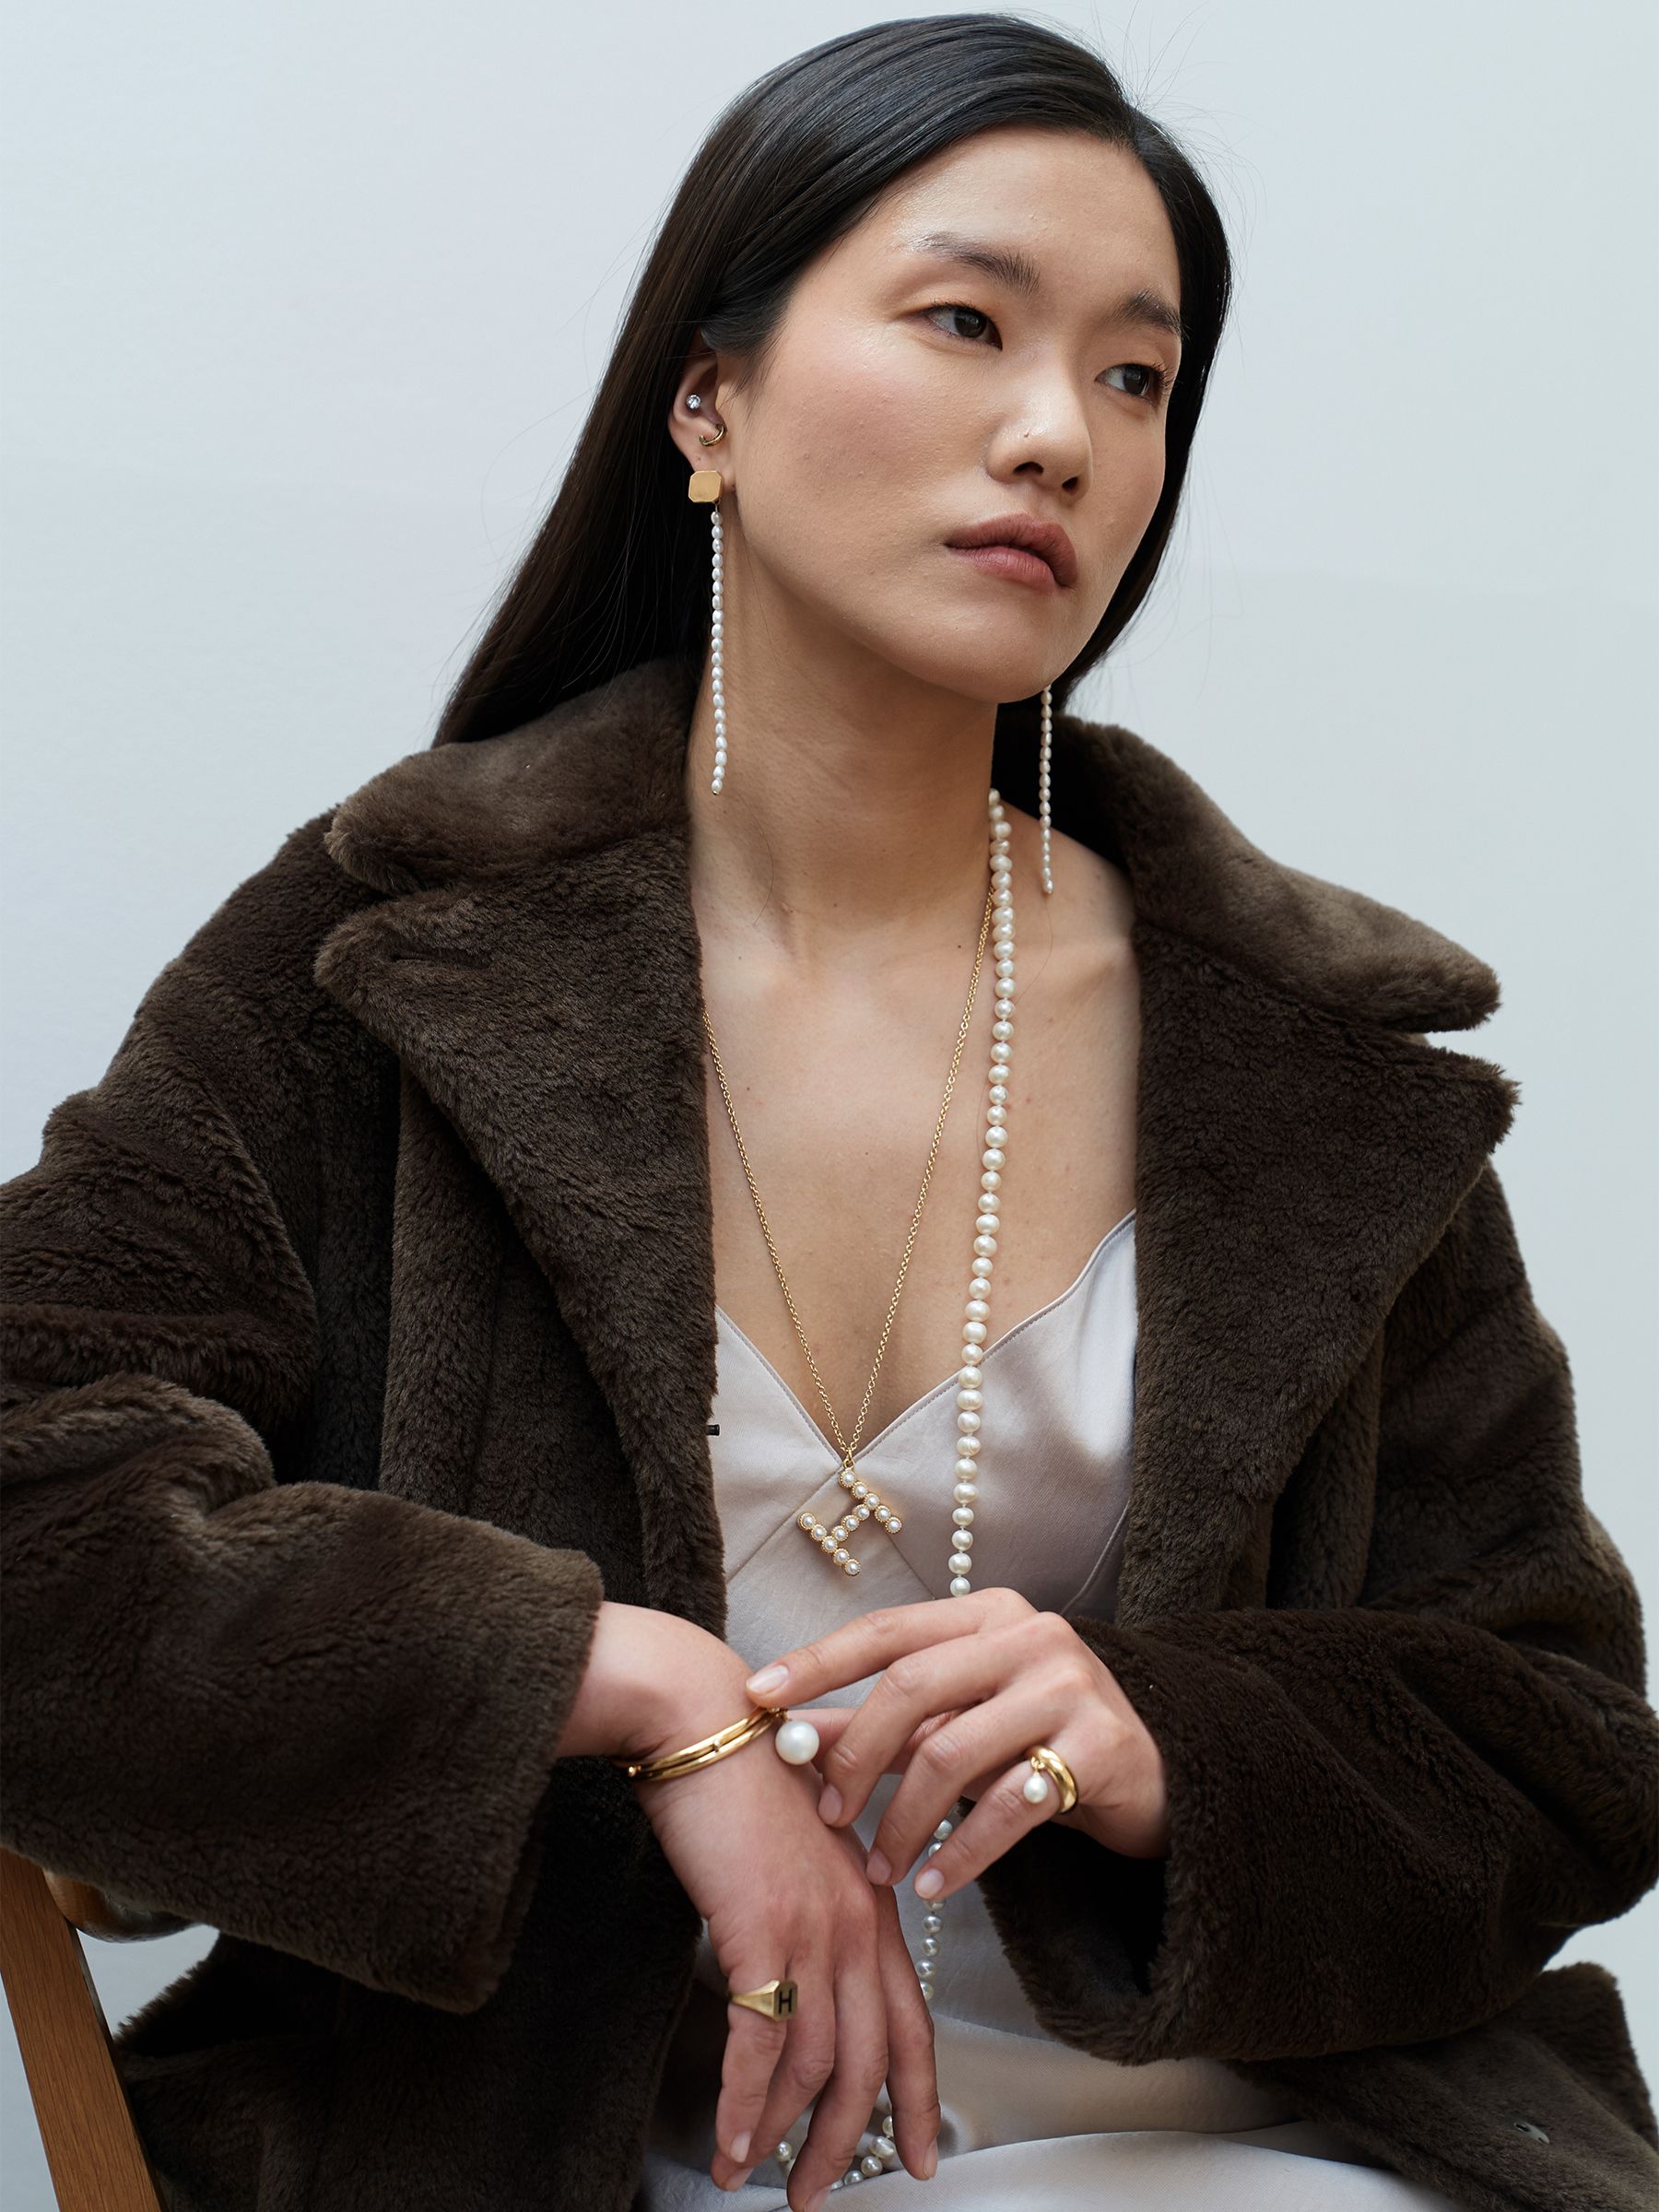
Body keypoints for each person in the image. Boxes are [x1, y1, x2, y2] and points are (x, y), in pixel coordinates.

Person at [4, 18, 1655, 2212]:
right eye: (968, 322)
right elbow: (30, 1499)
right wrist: (618, 1686)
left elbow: (1558, 1736)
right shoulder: (385, 961)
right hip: (565, 2154)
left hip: (1258, 2144)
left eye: (1139, 376)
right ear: (710, 401)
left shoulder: (1309, 1057)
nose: (1060, 433)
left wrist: (1176, 1739)